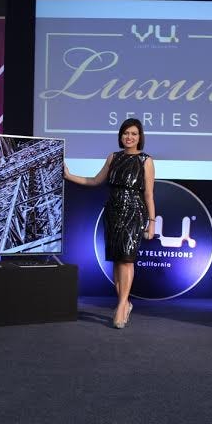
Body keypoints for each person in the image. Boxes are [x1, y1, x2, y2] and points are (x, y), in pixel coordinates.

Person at [65, 118, 156, 329]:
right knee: (117, 260)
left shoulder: (146, 161)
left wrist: (151, 222)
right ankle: (125, 303)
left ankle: (122, 306)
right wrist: (69, 175)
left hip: (134, 212)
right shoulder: (113, 157)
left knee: (126, 259)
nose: (129, 137)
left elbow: (149, 194)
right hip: (113, 212)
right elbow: (94, 181)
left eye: (134, 134)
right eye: (126, 133)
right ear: (120, 136)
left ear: (140, 137)